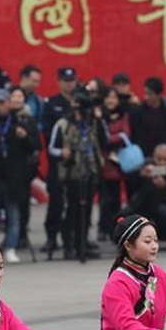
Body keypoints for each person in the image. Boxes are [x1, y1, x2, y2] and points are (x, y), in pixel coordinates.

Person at [0, 88, 39, 264]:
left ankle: (10, 247)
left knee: (13, 214)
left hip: (13, 175)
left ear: (9, 103)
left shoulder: (20, 120)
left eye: (2, 103)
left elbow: (34, 146)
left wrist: (25, 137)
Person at [50, 91, 106, 261]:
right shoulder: (63, 124)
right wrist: (62, 152)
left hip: (89, 172)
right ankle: (69, 244)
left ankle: (82, 244)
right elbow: (52, 147)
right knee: (72, 210)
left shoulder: (93, 123)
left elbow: (104, 140)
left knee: (86, 210)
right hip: (70, 174)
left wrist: (99, 119)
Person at [40, 67, 79, 254]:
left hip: (77, 164)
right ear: (59, 82)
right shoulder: (52, 103)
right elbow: (47, 132)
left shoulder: (80, 102)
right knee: (56, 202)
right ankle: (51, 237)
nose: (69, 84)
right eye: (65, 80)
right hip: (58, 162)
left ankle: (70, 238)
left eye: (71, 80)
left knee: (74, 202)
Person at [99, 86, 132, 241]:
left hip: (116, 162)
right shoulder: (99, 116)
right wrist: (113, 137)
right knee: (103, 198)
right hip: (101, 161)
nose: (111, 101)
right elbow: (99, 137)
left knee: (115, 198)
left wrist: (110, 138)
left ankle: (116, 229)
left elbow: (125, 135)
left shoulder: (123, 115)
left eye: (114, 98)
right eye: (108, 97)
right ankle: (102, 228)